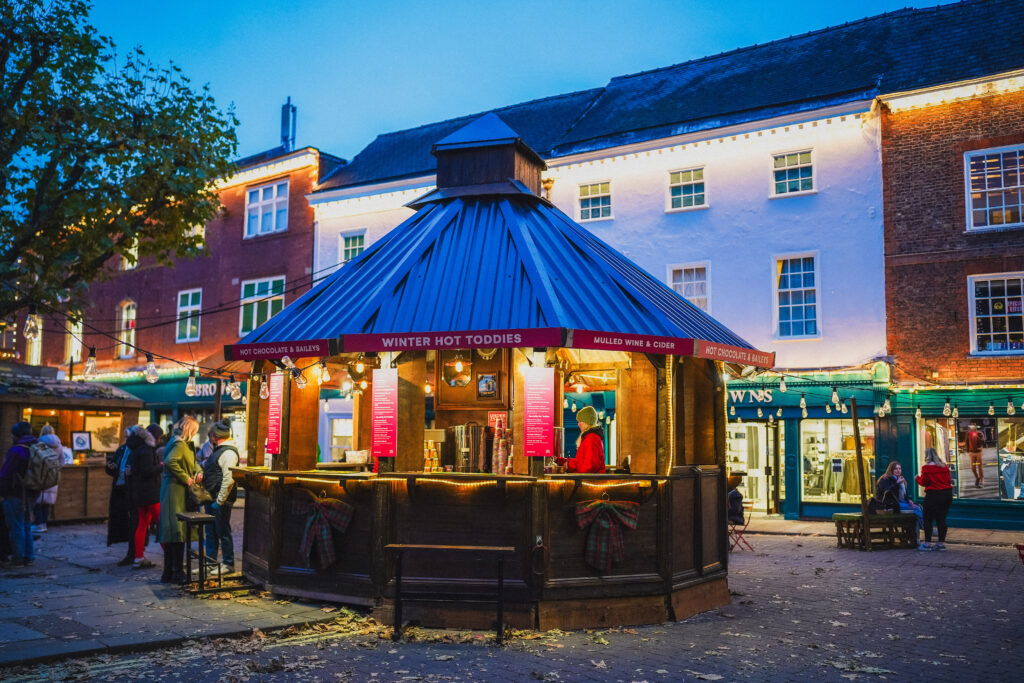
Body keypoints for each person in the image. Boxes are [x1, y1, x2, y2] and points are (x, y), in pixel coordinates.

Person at [157, 416, 200, 584]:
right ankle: (176, 571)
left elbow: (190, 462)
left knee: (174, 530)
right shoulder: (179, 444)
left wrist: (198, 470)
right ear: (190, 430)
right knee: (177, 530)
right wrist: (187, 479)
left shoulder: (180, 443)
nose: (196, 433)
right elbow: (171, 462)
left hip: (174, 489)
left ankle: (169, 571)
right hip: (175, 491)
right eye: (195, 430)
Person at [201, 420, 239, 575]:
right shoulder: (221, 450)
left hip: (219, 499)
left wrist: (220, 501)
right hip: (212, 498)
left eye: (211, 435)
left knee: (223, 531)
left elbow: (228, 479)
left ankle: (228, 563)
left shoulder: (228, 452)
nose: (210, 438)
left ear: (216, 436)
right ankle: (210, 563)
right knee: (211, 532)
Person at [125, 425, 161, 569]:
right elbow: (147, 471)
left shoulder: (135, 449)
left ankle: (138, 556)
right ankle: (170, 555)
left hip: (139, 493)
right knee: (161, 524)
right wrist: (162, 466)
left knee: (142, 524)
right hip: (151, 493)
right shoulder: (147, 450)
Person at [0, 422, 36, 567]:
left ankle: (18, 558)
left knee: (16, 525)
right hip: (31, 492)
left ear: (16, 434)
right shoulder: (35, 447)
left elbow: (5, 474)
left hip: (15, 492)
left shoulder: (17, 451)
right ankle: (29, 556)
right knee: (26, 525)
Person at [32, 427, 73, 534]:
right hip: (52, 477)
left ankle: (38, 524)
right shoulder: (58, 445)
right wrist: (55, 470)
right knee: (47, 502)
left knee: (37, 501)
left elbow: (36, 459)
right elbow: (62, 461)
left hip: (40, 475)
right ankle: (44, 524)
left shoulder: (39, 443)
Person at [105, 428, 137, 566]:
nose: (126, 439)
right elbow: (113, 465)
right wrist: (111, 467)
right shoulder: (122, 449)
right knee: (122, 520)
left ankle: (135, 553)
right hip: (119, 487)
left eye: (128, 436)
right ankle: (132, 552)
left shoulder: (136, 450)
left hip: (130, 489)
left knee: (133, 523)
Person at [875, 460, 923, 544]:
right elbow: (887, 492)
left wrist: (909, 500)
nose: (898, 470)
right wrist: (897, 483)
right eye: (896, 469)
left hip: (900, 503)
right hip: (889, 505)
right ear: (891, 470)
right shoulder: (884, 479)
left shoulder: (900, 479)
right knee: (917, 510)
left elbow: (904, 495)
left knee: (918, 509)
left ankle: (915, 539)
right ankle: (925, 528)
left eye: (899, 469)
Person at [916, 448, 954, 551]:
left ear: (927, 456)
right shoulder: (944, 467)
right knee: (941, 519)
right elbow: (949, 481)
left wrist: (917, 478)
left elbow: (924, 482)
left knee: (927, 518)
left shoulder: (927, 468)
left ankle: (927, 543)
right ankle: (941, 543)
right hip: (946, 494)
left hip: (933, 495)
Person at [555, 406, 606, 474]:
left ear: (586, 422)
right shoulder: (591, 437)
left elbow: (588, 466)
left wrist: (569, 465)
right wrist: (560, 461)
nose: (578, 424)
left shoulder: (591, 439)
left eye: (580, 421)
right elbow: (582, 461)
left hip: (590, 482)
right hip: (589, 481)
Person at [965, 424, 985, 488]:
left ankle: (982, 479)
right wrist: (968, 451)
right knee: (973, 468)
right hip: (972, 453)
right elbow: (967, 442)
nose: (972, 427)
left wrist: (977, 436)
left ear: (975, 427)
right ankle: (977, 477)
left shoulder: (979, 433)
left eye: (973, 426)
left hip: (978, 453)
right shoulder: (968, 434)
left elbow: (983, 441)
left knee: (979, 467)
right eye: (971, 426)